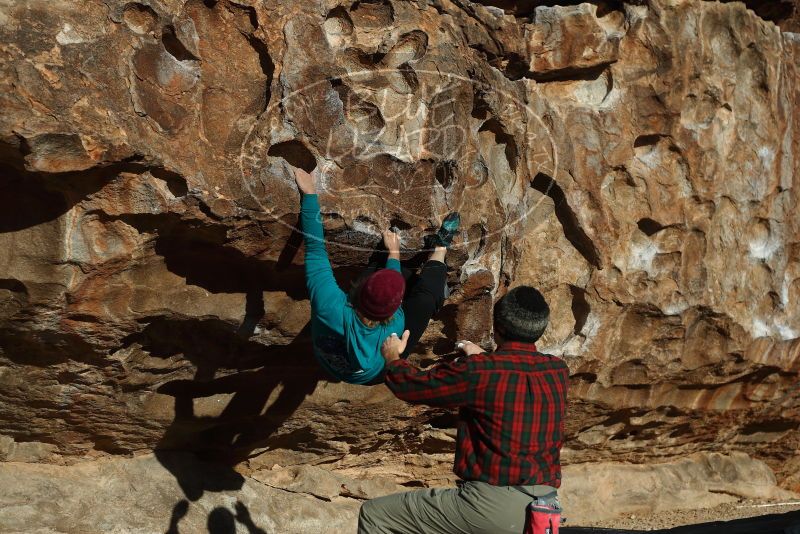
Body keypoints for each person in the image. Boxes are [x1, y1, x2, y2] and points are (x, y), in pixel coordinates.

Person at [358, 286, 569, 534]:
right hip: (544, 506)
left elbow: (413, 387)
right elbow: (514, 376)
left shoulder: (480, 371)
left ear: (497, 327)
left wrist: (393, 358)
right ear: (540, 329)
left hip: (491, 507)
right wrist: (485, 358)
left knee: (375, 515)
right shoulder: (557, 370)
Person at [294, 166, 460, 385]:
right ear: (396, 308)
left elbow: (316, 253)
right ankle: (440, 249)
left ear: (359, 291)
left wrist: (310, 194)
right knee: (426, 299)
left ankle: (401, 267)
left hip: (334, 365)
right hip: (378, 371)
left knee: (379, 261)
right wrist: (395, 254)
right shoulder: (395, 326)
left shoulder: (329, 305)